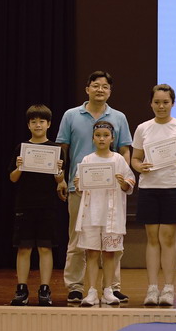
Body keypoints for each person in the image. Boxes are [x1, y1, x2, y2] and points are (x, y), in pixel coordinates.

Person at [57, 71, 132, 304]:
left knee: (112, 241)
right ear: (87, 88)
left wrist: (122, 177)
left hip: (110, 193)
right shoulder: (71, 115)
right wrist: (61, 178)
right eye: (96, 85)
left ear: (110, 91)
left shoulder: (118, 117)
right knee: (78, 240)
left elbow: (125, 150)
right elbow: (63, 150)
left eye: (105, 86)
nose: (100, 90)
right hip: (79, 189)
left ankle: (112, 287)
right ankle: (76, 287)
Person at [131, 84, 176, 307]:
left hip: (174, 188)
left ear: (173, 103)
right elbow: (135, 158)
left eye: (165, 102)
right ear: (151, 103)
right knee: (152, 239)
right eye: (157, 102)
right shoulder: (143, 128)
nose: (161, 106)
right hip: (149, 189)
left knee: (168, 239)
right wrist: (139, 166)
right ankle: (152, 288)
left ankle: (168, 288)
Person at [8, 104, 65, 306]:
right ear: (28, 125)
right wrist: (19, 167)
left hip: (47, 205)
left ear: (49, 124)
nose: (38, 125)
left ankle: (44, 289)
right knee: (23, 248)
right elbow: (13, 178)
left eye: (42, 121)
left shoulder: (56, 149)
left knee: (45, 247)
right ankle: (21, 289)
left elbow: (60, 180)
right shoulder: (22, 148)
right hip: (25, 205)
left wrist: (59, 172)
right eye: (34, 122)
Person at [74, 122, 136, 307]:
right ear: (93, 138)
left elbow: (130, 181)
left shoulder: (118, 159)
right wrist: (78, 184)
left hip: (111, 215)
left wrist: (123, 183)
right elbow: (80, 187)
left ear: (112, 138)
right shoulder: (87, 160)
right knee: (92, 253)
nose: (102, 139)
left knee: (110, 254)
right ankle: (92, 291)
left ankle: (108, 290)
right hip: (91, 214)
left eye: (105, 135)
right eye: (98, 135)